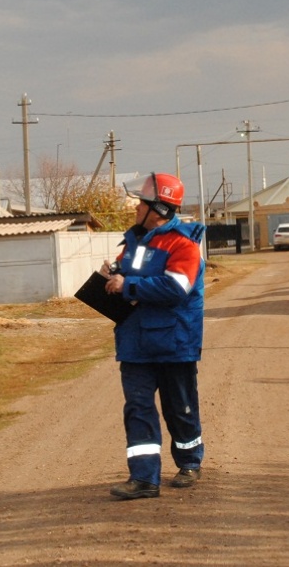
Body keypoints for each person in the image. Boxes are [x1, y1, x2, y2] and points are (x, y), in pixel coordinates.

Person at [102, 172, 206, 500]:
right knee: (138, 407)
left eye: (142, 203)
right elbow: (125, 277)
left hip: (174, 343)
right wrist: (112, 276)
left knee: (180, 407)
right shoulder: (133, 243)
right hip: (135, 343)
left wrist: (127, 285)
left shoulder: (183, 244)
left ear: (158, 208)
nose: (135, 207)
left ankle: (189, 461)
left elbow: (177, 288)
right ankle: (144, 479)